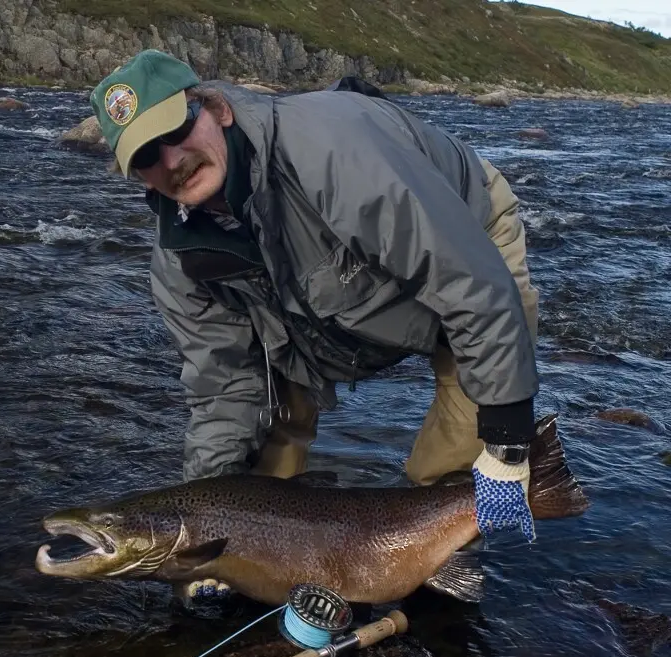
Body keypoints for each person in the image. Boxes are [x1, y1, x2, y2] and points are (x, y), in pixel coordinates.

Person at [90, 50, 541, 545]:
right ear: (136, 177)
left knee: (457, 464)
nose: (172, 161)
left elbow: (467, 281)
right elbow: (223, 386)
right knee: (258, 470)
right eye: (148, 156)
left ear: (217, 109)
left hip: (463, 237)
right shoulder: (179, 263)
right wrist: (201, 529)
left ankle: (435, 567)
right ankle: (268, 562)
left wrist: (507, 443)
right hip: (319, 298)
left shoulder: (331, 154)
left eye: (176, 131)